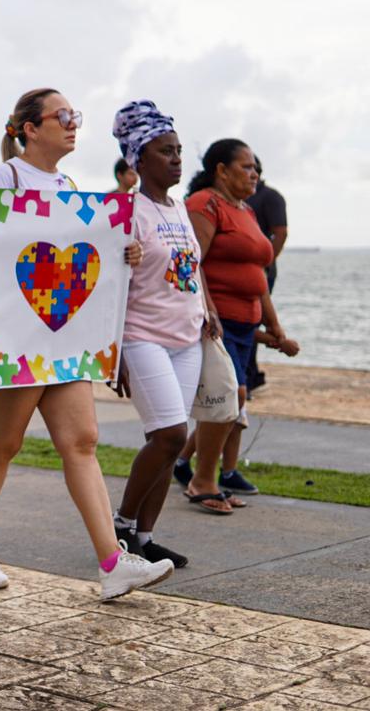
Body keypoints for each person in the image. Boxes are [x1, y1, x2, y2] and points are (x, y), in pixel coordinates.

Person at [0, 88, 173, 601]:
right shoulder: (4, 178)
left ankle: (113, 562)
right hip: (16, 335)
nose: (74, 124)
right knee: (2, 445)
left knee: (82, 441)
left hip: (63, 334)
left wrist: (121, 249)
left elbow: (78, 251)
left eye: (76, 116)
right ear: (29, 127)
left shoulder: (69, 183)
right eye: (63, 116)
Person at [108, 101, 217, 567]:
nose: (176, 159)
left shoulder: (177, 209)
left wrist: (207, 307)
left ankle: (144, 538)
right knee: (170, 434)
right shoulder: (126, 211)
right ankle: (120, 526)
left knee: (170, 439)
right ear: (139, 158)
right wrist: (116, 357)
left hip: (186, 337)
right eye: (165, 151)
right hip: (142, 336)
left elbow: (192, 267)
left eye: (177, 150)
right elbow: (106, 286)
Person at [172, 139, 300, 509]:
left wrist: (274, 326)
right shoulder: (203, 205)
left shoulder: (244, 209)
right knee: (232, 398)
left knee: (232, 402)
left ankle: (197, 472)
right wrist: (208, 310)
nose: (254, 173)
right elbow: (192, 264)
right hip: (220, 322)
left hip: (247, 325)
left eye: (255, 167)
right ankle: (202, 480)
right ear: (221, 170)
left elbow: (256, 274)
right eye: (245, 167)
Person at [244, 155, 287, 395]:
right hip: (245, 270)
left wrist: (266, 263)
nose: (249, 173)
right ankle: (251, 375)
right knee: (245, 322)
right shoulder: (240, 199)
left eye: (251, 167)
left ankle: (250, 378)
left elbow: (280, 233)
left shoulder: (270, 197)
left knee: (253, 320)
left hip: (262, 270)